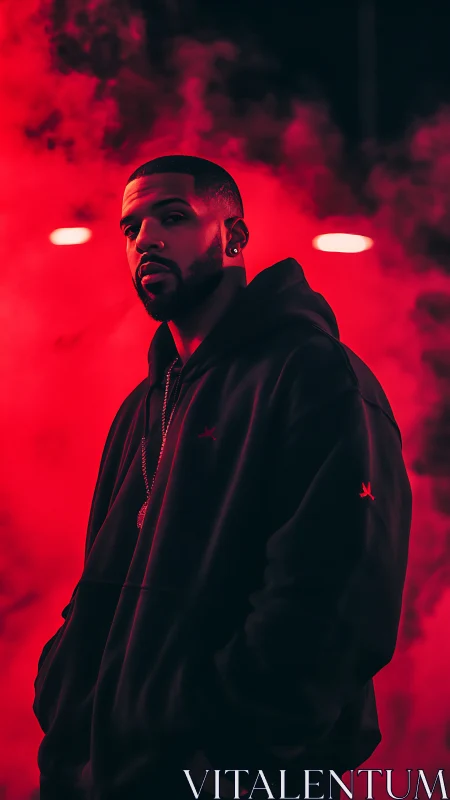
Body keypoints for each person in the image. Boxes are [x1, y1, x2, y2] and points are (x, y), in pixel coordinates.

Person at [33, 155, 412, 800]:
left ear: (233, 236)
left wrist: (214, 740)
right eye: (131, 228)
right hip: (108, 776)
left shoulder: (312, 374)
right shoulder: (143, 406)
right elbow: (100, 582)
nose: (146, 239)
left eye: (173, 217)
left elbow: (338, 601)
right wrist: (68, 692)